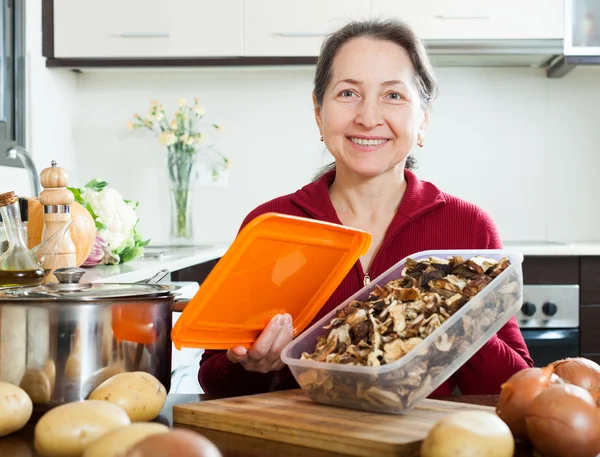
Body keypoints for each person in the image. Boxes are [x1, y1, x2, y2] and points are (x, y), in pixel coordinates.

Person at [198, 18, 533, 397]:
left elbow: (514, 387)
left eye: (393, 96)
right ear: (318, 111)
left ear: (422, 119)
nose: (368, 117)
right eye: (347, 93)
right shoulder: (272, 225)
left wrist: (460, 321)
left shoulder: (468, 228)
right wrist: (251, 365)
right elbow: (212, 377)